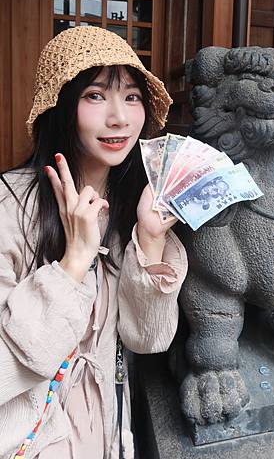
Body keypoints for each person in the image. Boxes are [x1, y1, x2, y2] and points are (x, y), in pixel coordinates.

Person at [0, 26, 188, 459]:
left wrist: (151, 241)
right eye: (96, 95)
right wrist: (73, 264)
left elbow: (147, 339)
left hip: (107, 434)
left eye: (132, 97)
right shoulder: (10, 206)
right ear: (61, 107)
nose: (120, 117)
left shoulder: (131, 209)